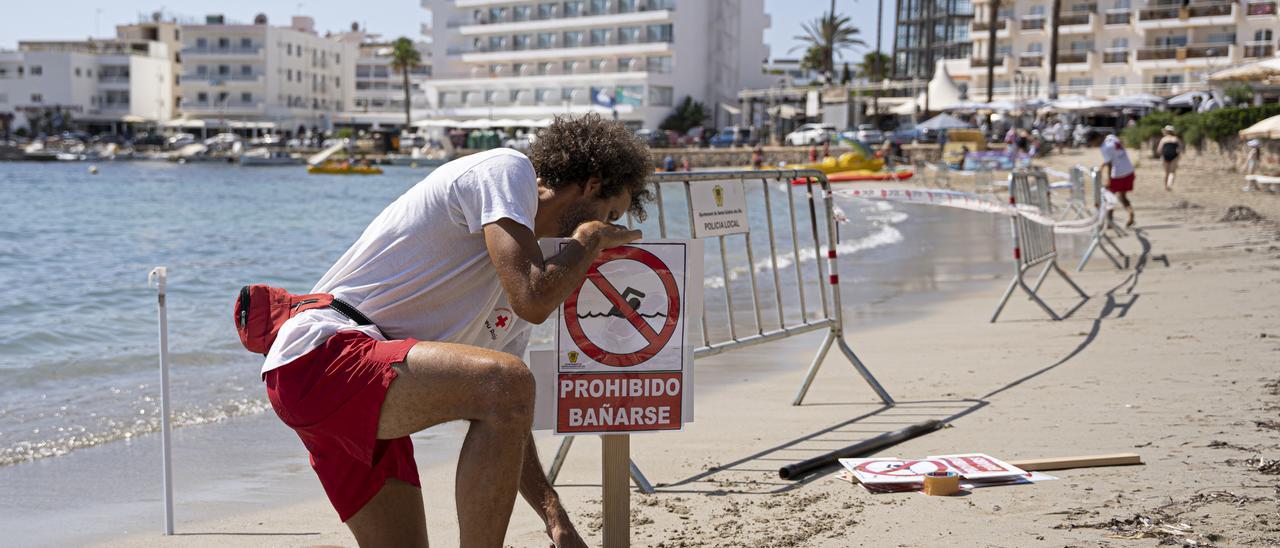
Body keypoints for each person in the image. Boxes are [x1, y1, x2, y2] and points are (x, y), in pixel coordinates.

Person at [262, 113, 652, 547]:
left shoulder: (527, 266)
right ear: (592, 183)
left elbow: (508, 418)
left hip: (366, 386)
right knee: (507, 381)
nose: (610, 225)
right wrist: (590, 239)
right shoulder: (507, 171)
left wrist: (552, 513)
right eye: (611, 213)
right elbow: (533, 302)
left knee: (506, 389)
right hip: (322, 355)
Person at [1092, 131, 1136, 228]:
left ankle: (1110, 221)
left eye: (1092, 142)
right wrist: (1103, 164)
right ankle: (1130, 212)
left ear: (1096, 138)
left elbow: (1110, 164)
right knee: (1122, 197)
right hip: (1129, 170)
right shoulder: (1112, 137)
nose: (1093, 145)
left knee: (1109, 196)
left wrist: (1109, 179)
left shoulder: (1103, 147)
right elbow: (1115, 154)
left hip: (1118, 174)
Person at [1156, 125, 1183, 191]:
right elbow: (1180, 148)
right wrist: (1178, 156)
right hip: (1174, 156)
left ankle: (1166, 186)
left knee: (1166, 172)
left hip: (1165, 156)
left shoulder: (1163, 139)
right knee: (1172, 172)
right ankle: (1169, 185)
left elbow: (1159, 150)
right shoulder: (1176, 138)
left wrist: (1161, 155)